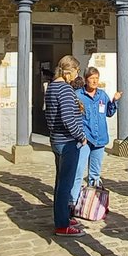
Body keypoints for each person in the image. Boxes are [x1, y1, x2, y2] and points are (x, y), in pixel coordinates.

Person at [45, 55, 88, 237]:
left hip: (56, 140)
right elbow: (68, 119)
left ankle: (62, 216)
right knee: (66, 184)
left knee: (60, 182)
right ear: (69, 71)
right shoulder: (64, 89)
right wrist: (81, 136)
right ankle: (62, 224)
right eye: (77, 71)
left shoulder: (52, 87)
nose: (77, 75)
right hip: (68, 142)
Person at [73, 67, 122, 203]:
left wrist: (114, 101)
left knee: (95, 174)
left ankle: (91, 202)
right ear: (86, 79)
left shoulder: (102, 95)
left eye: (96, 78)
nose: (94, 81)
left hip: (100, 139)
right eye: (92, 78)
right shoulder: (78, 95)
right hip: (84, 139)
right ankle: (73, 200)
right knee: (78, 171)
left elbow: (109, 113)